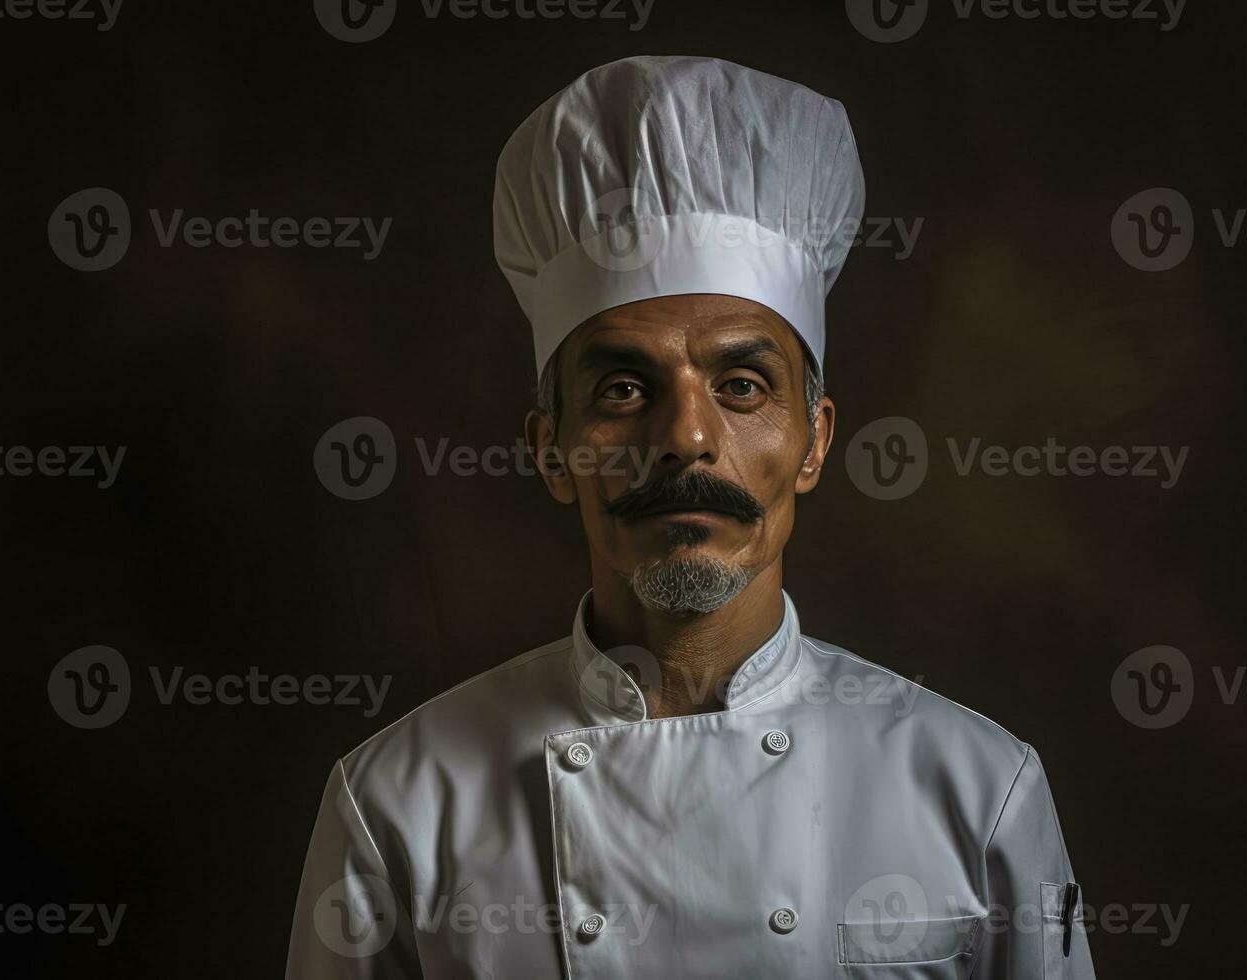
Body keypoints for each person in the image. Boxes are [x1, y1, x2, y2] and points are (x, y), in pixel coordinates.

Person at [286, 54, 1096, 979]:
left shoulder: (979, 792)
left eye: (742, 386)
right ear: (551, 449)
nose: (687, 437)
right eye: (625, 387)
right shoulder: (395, 807)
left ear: (817, 439)